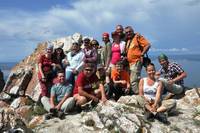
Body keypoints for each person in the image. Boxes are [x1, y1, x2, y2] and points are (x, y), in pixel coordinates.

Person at [124, 26, 151, 94]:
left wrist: (142, 54)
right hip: (130, 64)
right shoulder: (128, 40)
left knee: (134, 80)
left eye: (130, 31)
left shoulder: (137, 37)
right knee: (133, 80)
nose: (128, 33)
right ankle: (139, 94)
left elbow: (147, 45)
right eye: (127, 32)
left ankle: (138, 96)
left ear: (133, 31)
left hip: (136, 61)